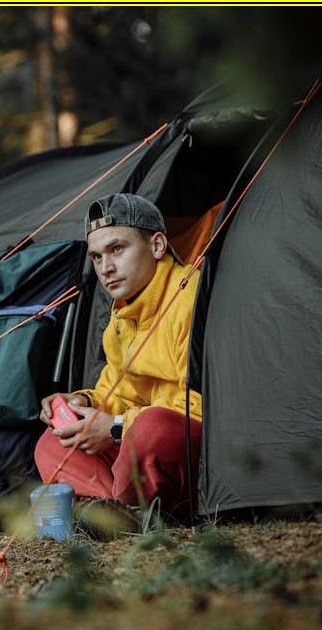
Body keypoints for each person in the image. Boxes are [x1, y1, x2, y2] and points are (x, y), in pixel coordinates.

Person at [35, 193, 203, 533]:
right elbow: (116, 390)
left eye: (117, 249)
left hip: (189, 449)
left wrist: (115, 428)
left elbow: (203, 405)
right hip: (135, 453)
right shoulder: (123, 315)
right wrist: (82, 403)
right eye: (96, 257)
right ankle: (119, 511)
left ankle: (119, 509)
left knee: (150, 428)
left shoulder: (191, 299)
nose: (105, 268)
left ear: (157, 245)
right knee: (52, 443)